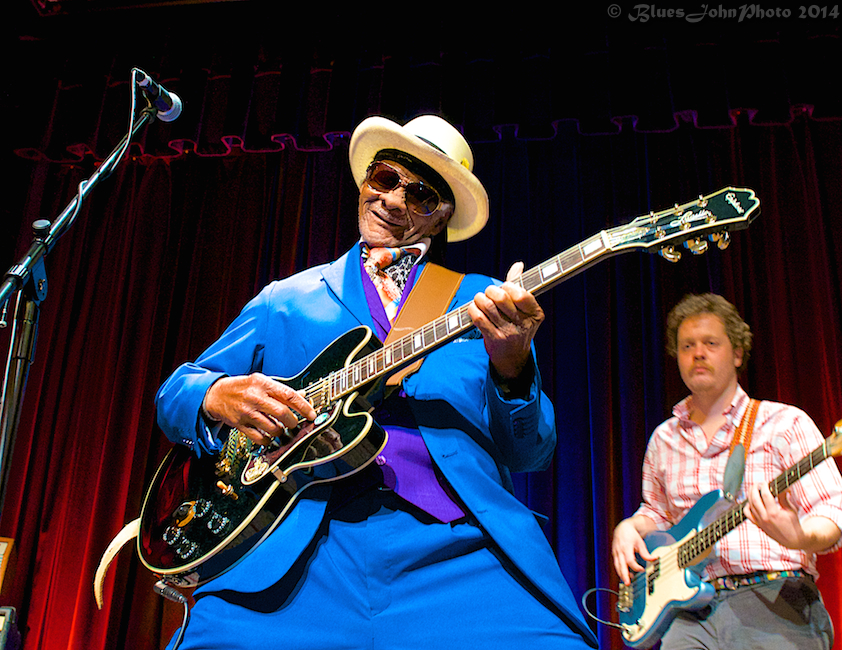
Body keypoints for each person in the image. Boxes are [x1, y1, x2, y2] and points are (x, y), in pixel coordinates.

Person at [155, 115, 598, 649]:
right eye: (384, 179)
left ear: (441, 220)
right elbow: (175, 393)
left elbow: (530, 452)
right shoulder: (288, 298)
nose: (393, 200)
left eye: (420, 196)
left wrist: (512, 363)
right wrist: (217, 395)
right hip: (303, 548)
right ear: (365, 182)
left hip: (456, 551)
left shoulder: (486, 300)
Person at [612, 293, 842, 649]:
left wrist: (798, 537)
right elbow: (656, 512)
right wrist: (629, 528)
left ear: (737, 353)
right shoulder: (664, 438)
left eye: (710, 343)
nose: (697, 353)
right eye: (687, 345)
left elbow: (832, 510)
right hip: (688, 615)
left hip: (773, 598)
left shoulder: (783, 422)